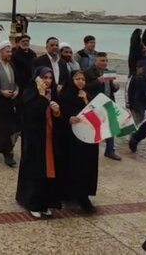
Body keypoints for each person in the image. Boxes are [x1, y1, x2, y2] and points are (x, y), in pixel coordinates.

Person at [15, 68, 62, 219]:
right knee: (35, 170)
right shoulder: (31, 93)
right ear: (37, 79)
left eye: (50, 78)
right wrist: (41, 97)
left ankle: (45, 203)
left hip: (49, 138)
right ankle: (32, 202)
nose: (48, 81)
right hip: (34, 139)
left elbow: (59, 117)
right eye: (44, 78)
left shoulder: (52, 93)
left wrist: (56, 112)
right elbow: (32, 114)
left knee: (48, 171)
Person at [56, 71, 98, 214]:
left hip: (86, 139)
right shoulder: (65, 96)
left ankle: (81, 194)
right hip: (70, 139)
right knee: (73, 166)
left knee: (85, 167)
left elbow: (95, 114)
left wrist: (86, 100)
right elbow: (59, 115)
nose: (80, 82)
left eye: (83, 79)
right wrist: (68, 119)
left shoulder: (86, 95)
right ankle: (77, 196)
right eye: (77, 79)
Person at [83, 52, 121, 161]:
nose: (105, 63)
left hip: (108, 102)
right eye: (102, 60)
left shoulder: (108, 72)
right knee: (93, 127)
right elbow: (86, 87)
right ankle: (89, 150)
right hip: (95, 103)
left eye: (106, 61)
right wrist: (98, 81)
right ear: (96, 61)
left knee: (111, 126)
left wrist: (115, 87)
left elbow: (110, 88)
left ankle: (110, 151)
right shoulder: (88, 72)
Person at [127, 60, 146, 124]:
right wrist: (128, 103)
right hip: (134, 103)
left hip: (142, 103)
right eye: (143, 69)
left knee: (141, 118)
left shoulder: (144, 78)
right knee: (135, 121)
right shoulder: (133, 78)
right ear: (137, 68)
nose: (144, 71)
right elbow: (128, 91)